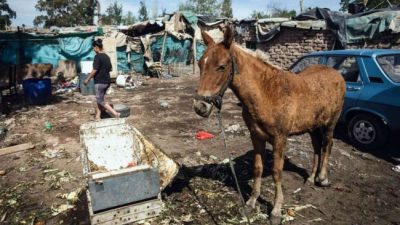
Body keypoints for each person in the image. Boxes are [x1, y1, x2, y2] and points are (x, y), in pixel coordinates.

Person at [84, 39, 120, 120]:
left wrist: (87, 79)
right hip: (107, 81)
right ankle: (97, 116)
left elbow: (95, 69)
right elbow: (110, 69)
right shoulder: (107, 56)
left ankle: (115, 113)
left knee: (100, 100)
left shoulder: (97, 57)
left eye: (93, 48)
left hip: (100, 82)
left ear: (96, 47)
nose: (93, 50)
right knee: (99, 98)